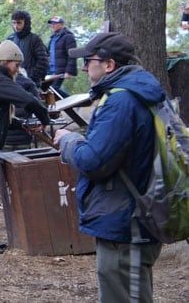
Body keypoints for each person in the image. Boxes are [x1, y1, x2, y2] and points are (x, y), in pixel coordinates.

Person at [54, 33, 166, 302]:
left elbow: (95, 161)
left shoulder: (121, 102)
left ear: (109, 65)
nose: (82, 67)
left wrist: (69, 141)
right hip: (130, 217)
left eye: (88, 60)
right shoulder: (135, 94)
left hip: (127, 223)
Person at [0, 39, 52, 254]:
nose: (17, 68)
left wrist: (22, 124)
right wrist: (45, 119)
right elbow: (30, 101)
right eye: (16, 64)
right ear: (6, 61)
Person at [8, 10, 49, 84]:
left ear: (26, 23)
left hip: (31, 82)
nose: (16, 26)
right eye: (14, 23)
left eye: (19, 23)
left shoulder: (35, 39)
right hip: (14, 81)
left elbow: (43, 61)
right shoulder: (10, 39)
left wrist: (31, 76)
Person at [46, 16, 79, 90]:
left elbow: (72, 55)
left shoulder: (68, 37)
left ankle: (73, 100)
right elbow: (49, 54)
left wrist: (68, 71)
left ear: (61, 24)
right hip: (50, 70)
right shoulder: (53, 38)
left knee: (53, 89)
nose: (52, 25)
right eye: (51, 23)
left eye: (55, 23)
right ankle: (68, 100)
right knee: (48, 89)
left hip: (61, 71)